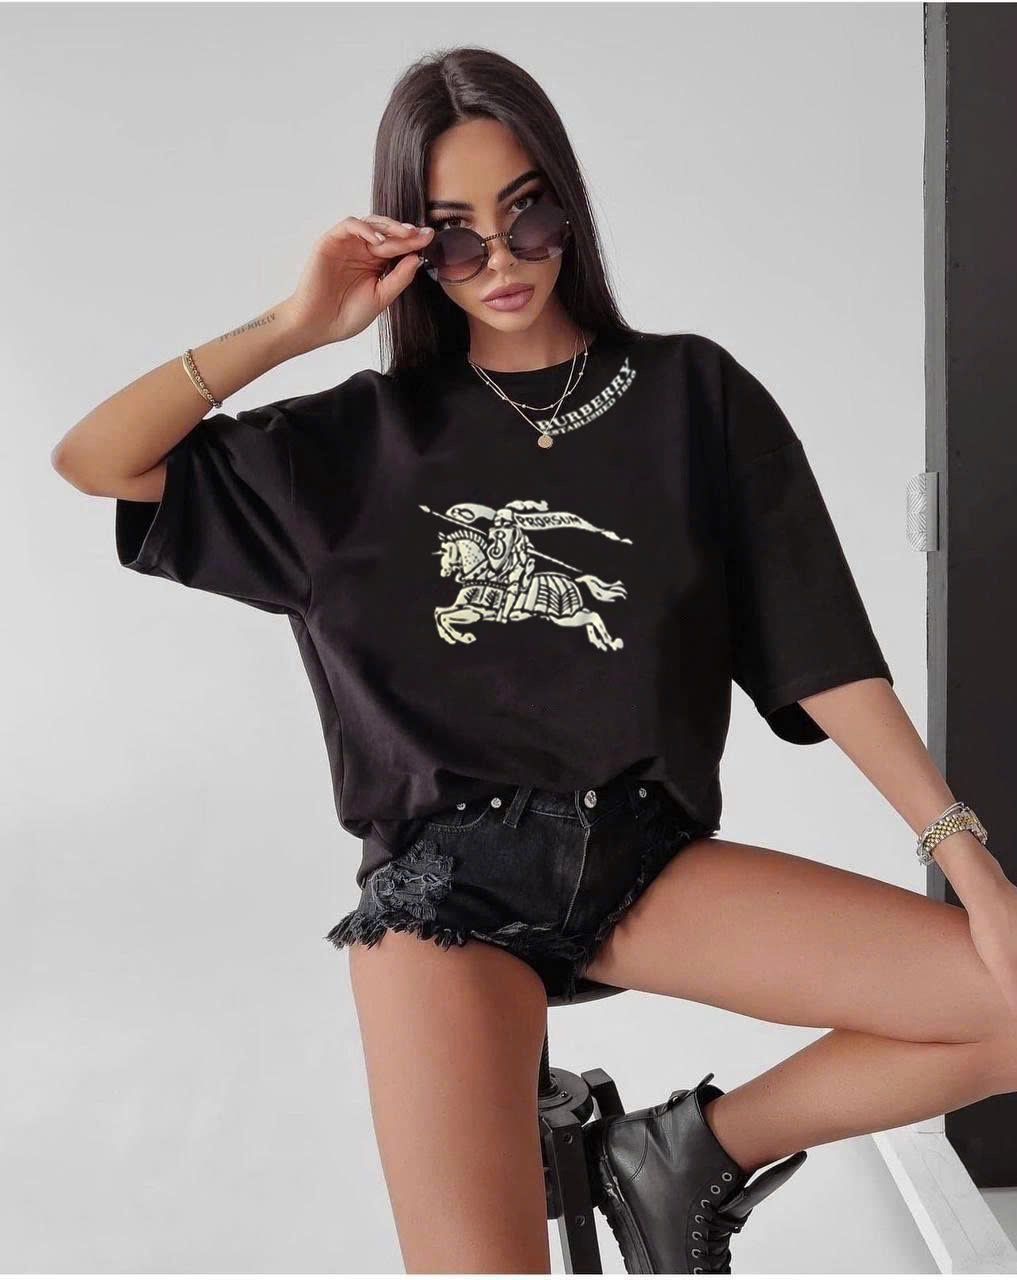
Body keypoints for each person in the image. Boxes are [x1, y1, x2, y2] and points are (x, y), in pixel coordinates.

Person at [52, 44, 1017, 1278]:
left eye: (528, 216)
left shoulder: (693, 396)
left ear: (568, 202)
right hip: (442, 890)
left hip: (640, 860)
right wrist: (297, 326)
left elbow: (824, 649)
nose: (502, 261)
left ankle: (686, 1154)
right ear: (414, 247)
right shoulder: (351, 445)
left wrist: (965, 857)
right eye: (457, 237)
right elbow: (98, 460)